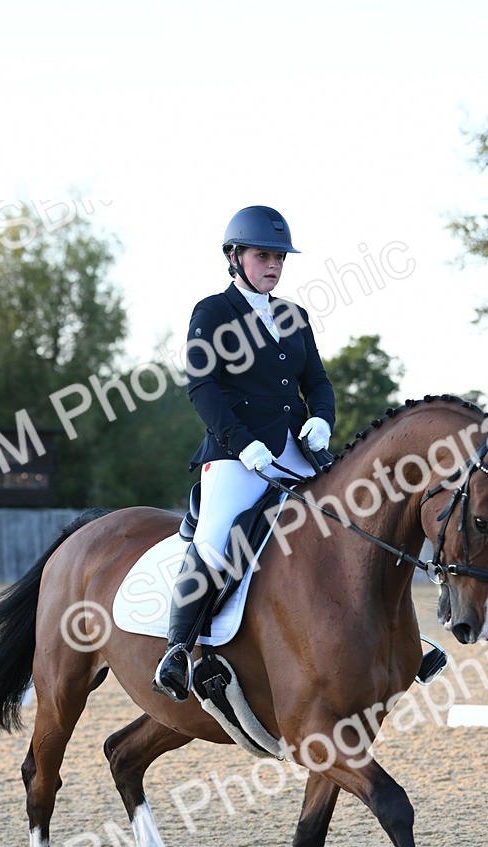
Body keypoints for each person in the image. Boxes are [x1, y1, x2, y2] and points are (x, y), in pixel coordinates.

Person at [152, 205, 336, 702]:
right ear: (234, 257)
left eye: (279, 258)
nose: (273, 265)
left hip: (298, 451)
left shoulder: (294, 316)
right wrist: (241, 442)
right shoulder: (213, 312)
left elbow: (317, 381)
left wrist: (322, 417)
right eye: (263, 256)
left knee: (350, 520)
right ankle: (177, 650)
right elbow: (202, 387)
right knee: (215, 539)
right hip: (237, 456)